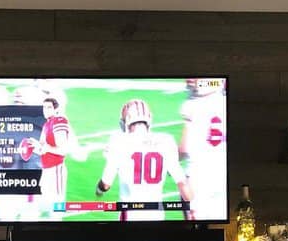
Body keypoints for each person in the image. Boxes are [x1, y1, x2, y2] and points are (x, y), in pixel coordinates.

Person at [96, 99, 193, 221]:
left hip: (130, 213)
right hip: (156, 213)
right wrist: (193, 209)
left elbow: (106, 184)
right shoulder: (166, 141)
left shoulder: (119, 142)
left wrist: (98, 190)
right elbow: (182, 183)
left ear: (127, 121)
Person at [179, 78, 227, 220]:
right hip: (221, 176)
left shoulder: (192, 105)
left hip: (198, 178)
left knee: (194, 232)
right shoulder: (223, 102)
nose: (189, 80)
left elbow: (183, 149)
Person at [25, 97, 71, 217]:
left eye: (49, 107)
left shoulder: (59, 121)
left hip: (56, 169)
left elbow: (64, 150)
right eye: (44, 107)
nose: (45, 110)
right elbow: (42, 149)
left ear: (56, 109)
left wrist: (46, 148)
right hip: (46, 170)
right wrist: (32, 146)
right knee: (43, 206)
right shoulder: (46, 124)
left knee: (56, 207)